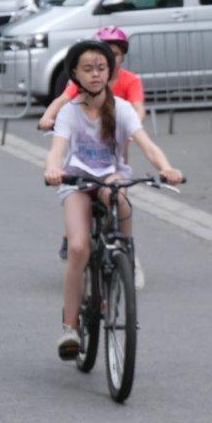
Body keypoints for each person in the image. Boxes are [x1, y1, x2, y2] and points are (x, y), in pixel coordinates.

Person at [43, 40, 183, 361]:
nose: (95, 74)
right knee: (79, 247)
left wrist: (166, 168)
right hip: (77, 181)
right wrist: (53, 170)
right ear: (75, 74)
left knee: (121, 198)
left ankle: (124, 254)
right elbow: (57, 151)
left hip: (109, 176)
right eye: (88, 69)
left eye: (101, 68)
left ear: (109, 73)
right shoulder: (70, 112)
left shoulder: (121, 109)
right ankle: (70, 326)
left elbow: (147, 145)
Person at [39, 27, 147, 281]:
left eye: (116, 54)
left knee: (118, 194)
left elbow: (138, 108)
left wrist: (133, 125)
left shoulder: (130, 80)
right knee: (78, 195)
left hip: (116, 144)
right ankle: (72, 235)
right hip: (87, 149)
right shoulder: (85, 81)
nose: (110, 59)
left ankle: (123, 247)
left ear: (121, 57)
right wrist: (47, 118)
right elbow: (62, 101)